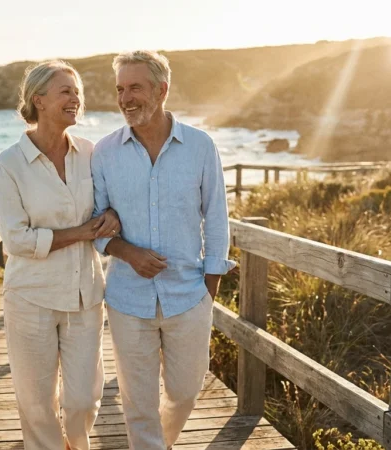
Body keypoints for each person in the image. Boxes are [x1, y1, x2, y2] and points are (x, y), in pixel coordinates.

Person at [91, 50, 236, 449]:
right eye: (120, 89)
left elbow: (217, 218)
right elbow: (96, 225)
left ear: (162, 90)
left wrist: (209, 289)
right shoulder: (104, 153)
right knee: (138, 405)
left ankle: (163, 442)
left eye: (135, 87)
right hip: (127, 299)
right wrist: (126, 252)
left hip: (189, 295)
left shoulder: (200, 146)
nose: (125, 98)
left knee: (185, 392)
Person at [0, 60, 120, 450]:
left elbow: (112, 204)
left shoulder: (92, 153)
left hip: (85, 295)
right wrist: (81, 232)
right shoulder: (10, 163)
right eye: (66, 90)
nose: (76, 98)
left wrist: (113, 212)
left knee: (83, 398)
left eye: (77, 91)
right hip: (31, 297)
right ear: (39, 100)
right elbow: (16, 240)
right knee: (36, 403)